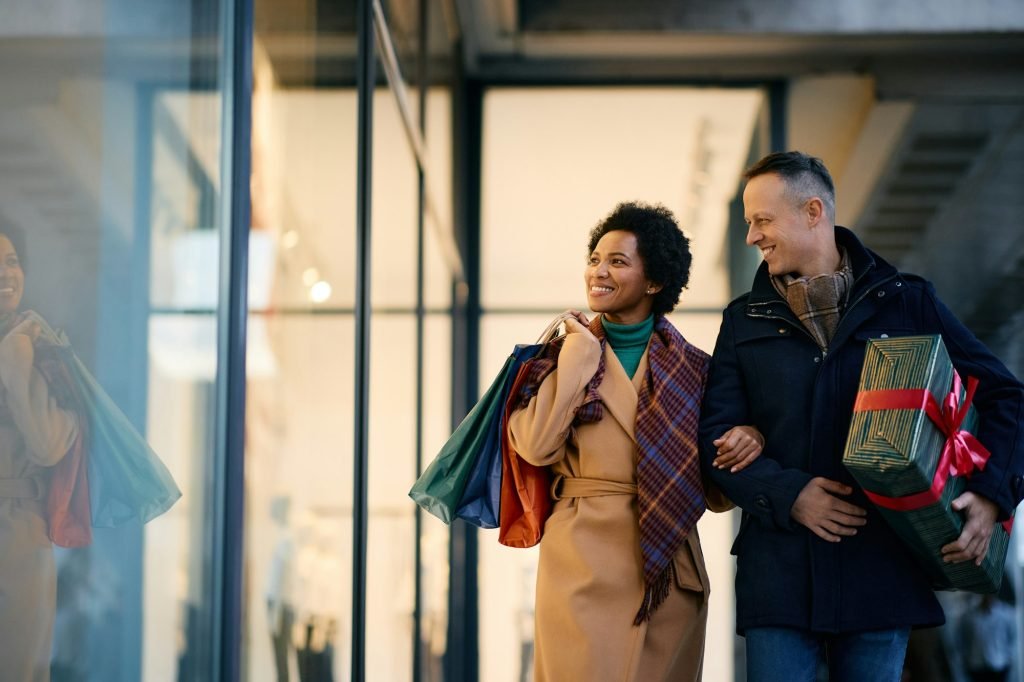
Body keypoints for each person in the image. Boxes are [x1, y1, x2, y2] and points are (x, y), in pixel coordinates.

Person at [698, 151, 1024, 682]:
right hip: (781, 574)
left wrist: (992, 495)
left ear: (812, 212)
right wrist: (791, 495)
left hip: (882, 569)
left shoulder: (907, 302)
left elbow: (1006, 395)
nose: (752, 237)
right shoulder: (742, 320)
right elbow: (715, 441)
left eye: (762, 220)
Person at [508, 202, 763, 682]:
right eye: (595, 258)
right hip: (581, 567)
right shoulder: (558, 356)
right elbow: (536, 446)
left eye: (618, 262)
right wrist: (578, 362)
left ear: (654, 282)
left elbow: (717, 494)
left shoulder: (696, 370)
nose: (598, 271)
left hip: (667, 571)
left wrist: (746, 438)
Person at [0, 225, 80, 681]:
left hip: (17, 531)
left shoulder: (35, 345)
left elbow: (50, 445)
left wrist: (15, 360)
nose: (6, 272)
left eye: (12, 261)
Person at [959, 591, 1016, 682]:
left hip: (999, 663)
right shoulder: (968, 616)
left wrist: (1008, 657)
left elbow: (1012, 637)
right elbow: (963, 640)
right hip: (976, 664)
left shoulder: (1006, 613)